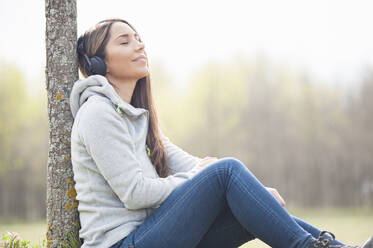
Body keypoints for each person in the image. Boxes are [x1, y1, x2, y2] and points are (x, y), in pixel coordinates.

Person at [69, 18, 373, 248]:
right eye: (125, 42)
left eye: (139, 39)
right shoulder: (98, 113)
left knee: (250, 210)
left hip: (152, 236)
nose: (139, 45)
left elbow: (189, 163)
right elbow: (135, 193)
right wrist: (207, 178)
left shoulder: (138, 118)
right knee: (227, 171)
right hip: (123, 244)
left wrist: (252, 191)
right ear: (99, 62)